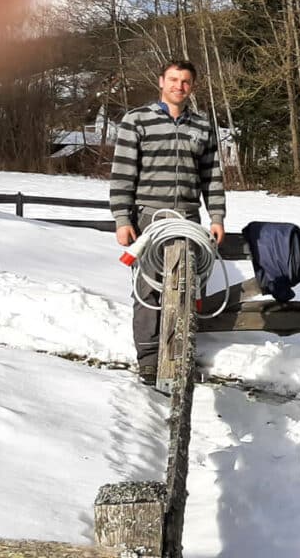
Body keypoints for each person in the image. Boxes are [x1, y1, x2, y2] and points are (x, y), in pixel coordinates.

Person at [110, 60, 225, 386]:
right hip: (149, 218)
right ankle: (148, 360)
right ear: (161, 82)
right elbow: (122, 175)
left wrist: (216, 217)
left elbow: (212, 176)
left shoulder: (202, 126)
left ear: (193, 86)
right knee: (148, 289)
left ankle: (179, 353)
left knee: (186, 288)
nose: (179, 86)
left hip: (188, 218)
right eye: (173, 79)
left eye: (185, 81)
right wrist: (122, 219)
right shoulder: (137, 121)